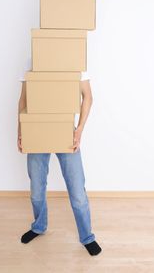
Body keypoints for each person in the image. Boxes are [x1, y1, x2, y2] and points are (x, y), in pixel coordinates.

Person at [17, 56, 102, 256]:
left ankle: (87, 236)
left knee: (77, 189)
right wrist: (21, 132)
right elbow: (23, 101)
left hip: (65, 132)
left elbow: (88, 96)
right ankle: (39, 226)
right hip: (37, 132)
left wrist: (79, 130)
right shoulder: (33, 64)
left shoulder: (74, 61)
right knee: (36, 189)